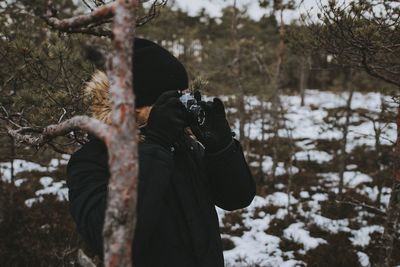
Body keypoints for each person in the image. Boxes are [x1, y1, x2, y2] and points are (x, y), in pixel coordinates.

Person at [66, 38, 256, 267]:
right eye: (169, 98)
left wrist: (221, 147)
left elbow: (237, 197)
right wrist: (156, 144)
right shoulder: (91, 160)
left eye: (181, 94)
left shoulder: (183, 147)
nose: (181, 103)